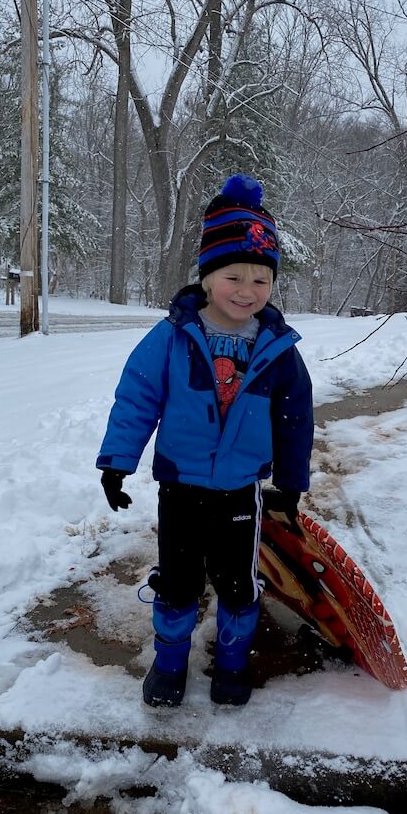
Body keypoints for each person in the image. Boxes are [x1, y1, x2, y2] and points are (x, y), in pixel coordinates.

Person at [96, 174, 314, 708]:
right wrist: (117, 462)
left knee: (239, 584)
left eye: (261, 280)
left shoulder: (278, 349)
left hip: (242, 491)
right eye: (233, 276)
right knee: (178, 583)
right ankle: (170, 664)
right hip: (180, 486)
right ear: (208, 275)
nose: (246, 291)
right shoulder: (172, 335)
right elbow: (138, 397)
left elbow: (294, 418)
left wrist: (289, 482)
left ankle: (232, 664)